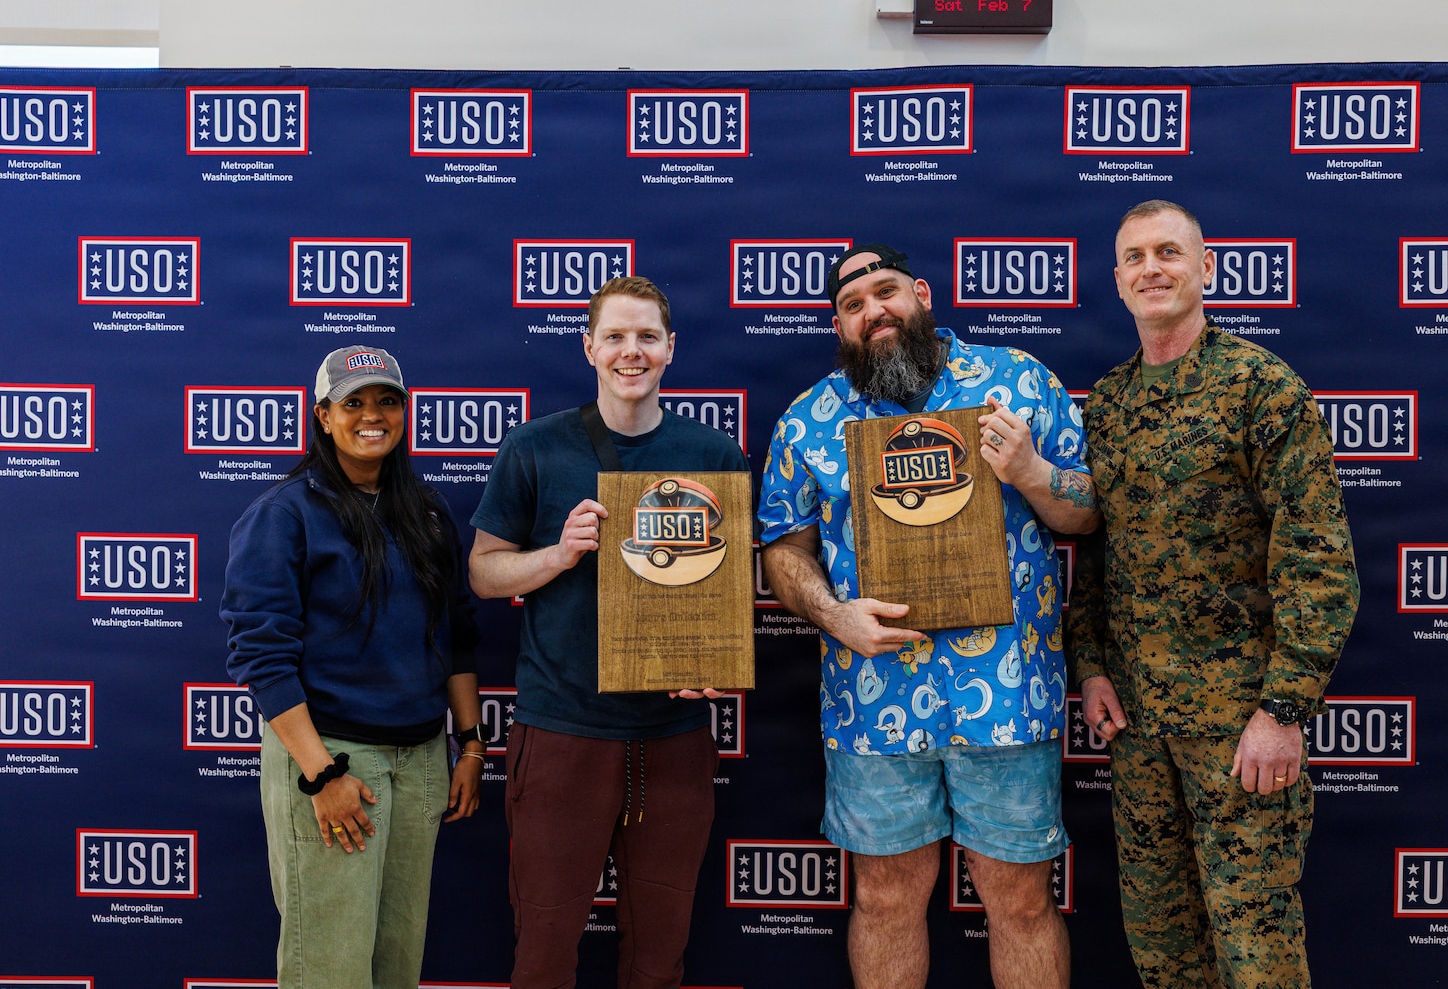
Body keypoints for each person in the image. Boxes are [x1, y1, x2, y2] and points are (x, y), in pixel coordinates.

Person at [758, 244, 1099, 989]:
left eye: (885, 292)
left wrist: (1033, 473)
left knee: (1019, 902)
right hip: (871, 701)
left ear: (920, 294)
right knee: (883, 899)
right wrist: (833, 614)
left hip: (1008, 698)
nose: (873, 310)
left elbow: (1087, 509)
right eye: (852, 304)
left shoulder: (1017, 381)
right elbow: (782, 549)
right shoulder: (810, 417)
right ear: (839, 324)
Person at [1067, 201, 1359, 989]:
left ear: (1207, 269)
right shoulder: (1110, 403)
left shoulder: (1260, 388)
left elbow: (1319, 562)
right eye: (1134, 256)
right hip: (1139, 727)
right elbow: (1096, 551)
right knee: (1162, 945)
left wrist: (1285, 710)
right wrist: (1091, 666)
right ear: (1118, 279)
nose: (1151, 268)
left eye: (1169, 251)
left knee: (1254, 942)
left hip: (1240, 729)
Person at [468, 276, 748, 989]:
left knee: (659, 959)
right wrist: (558, 553)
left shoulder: (714, 454)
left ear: (670, 349)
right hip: (563, 733)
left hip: (674, 736)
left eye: (647, 336)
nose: (632, 352)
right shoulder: (535, 446)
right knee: (544, 952)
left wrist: (713, 651)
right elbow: (483, 573)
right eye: (616, 337)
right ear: (589, 346)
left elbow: (726, 586)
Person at [222, 345, 484, 989]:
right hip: (334, 760)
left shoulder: (427, 511)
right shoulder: (285, 513)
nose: (373, 415)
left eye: (386, 400)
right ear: (323, 416)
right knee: (330, 971)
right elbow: (261, 653)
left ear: (406, 411)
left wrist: (471, 744)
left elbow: (456, 632)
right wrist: (320, 775)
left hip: (422, 759)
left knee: (396, 966)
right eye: (354, 402)